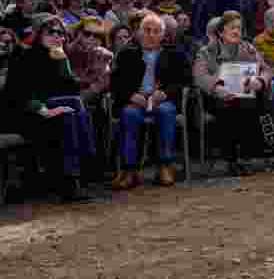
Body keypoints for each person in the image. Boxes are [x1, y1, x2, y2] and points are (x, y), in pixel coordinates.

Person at [3, 14, 99, 202]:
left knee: (71, 108)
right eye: (51, 32)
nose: (57, 36)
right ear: (39, 34)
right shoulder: (23, 55)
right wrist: (45, 110)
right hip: (27, 114)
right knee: (69, 109)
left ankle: (72, 179)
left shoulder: (58, 56)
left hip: (56, 112)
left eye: (61, 33)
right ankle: (80, 173)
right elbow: (17, 94)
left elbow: (70, 88)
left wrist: (63, 62)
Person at [110, 13, 190, 189]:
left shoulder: (175, 54)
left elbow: (184, 81)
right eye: (146, 30)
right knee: (129, 113)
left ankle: (164, 165)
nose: (151, 35)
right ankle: (129, 170)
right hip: (136, 101)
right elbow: (115, 83)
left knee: (166, 111)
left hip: (161, 100)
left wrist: (165, 93)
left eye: (156, 31)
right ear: (139, 33)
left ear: (162, 35)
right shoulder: (126, 54)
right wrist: (130, 95)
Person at [193, 11, 274, 175]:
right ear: (221, 31)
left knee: (248, 103)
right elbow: (199, 76)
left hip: (245, 96)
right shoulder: (206, 51)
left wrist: (260, 81)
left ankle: (244, 158)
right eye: (232, 28)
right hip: (217, 97)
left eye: (239, 28)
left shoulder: (248, 48)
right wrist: (217, 88)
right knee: (234, 107)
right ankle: (234, 159)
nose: (237, 31)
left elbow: (267, 70)